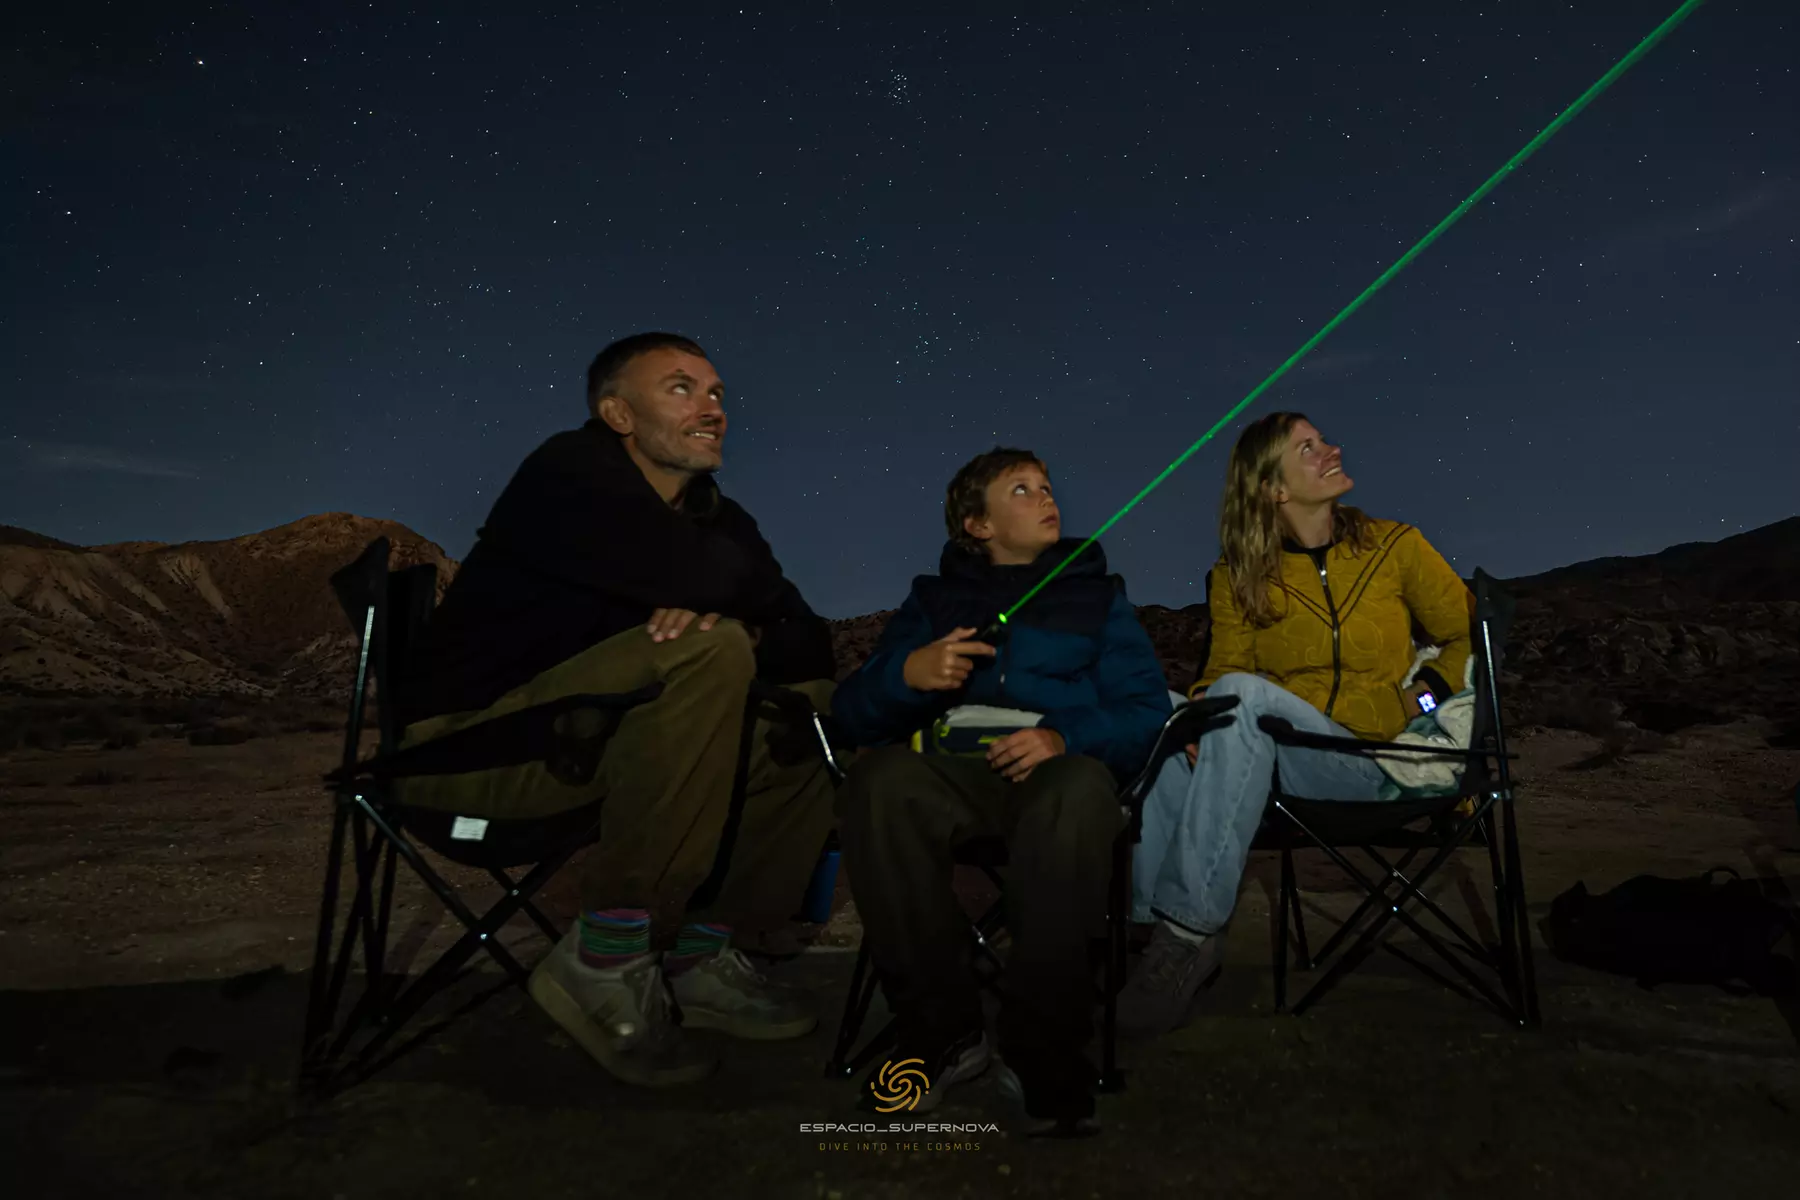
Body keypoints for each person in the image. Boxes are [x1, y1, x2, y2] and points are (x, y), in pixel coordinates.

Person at [390, 332, 839, 1087]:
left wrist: (745, 618)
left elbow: (810, 640)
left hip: (597, 748)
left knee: (814, 707)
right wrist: (733, 612)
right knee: (711, 650)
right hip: (471, 760)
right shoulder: (566, 475)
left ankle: (702, 954)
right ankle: (610, 954)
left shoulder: (721, 517)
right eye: (682, 388)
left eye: (719, 393)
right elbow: (703, 576)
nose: (713, 408)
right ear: (618, 414)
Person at [832, 447, 1171, 1136]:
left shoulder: (1097, 597)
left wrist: (1065, 737)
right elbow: (853, 713)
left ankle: (1040, 1046)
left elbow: (1144, 709)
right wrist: (908, 675)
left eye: (1046, 485)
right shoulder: (933, 600)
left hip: (1054, 767)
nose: (1046, 498)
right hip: (952, 770)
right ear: (976, 524)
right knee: (878, 782)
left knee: (1077, 792)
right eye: (1021, 489)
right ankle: (943, 1032)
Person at [1118, 411, 1475, 1036]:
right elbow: (1223, 667)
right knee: (1175, 712)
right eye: (1308, 448)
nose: (1332, 449)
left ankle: (1185, 937)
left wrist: (1423, 698)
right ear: (1273, 490)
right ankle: (1149, 931)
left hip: (1378, 762)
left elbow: (1470, 636)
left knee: (1229, 700)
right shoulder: (1236, 578)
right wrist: (1199, 714)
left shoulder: (1396, 547)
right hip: (1289, 759)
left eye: (1324, 439)